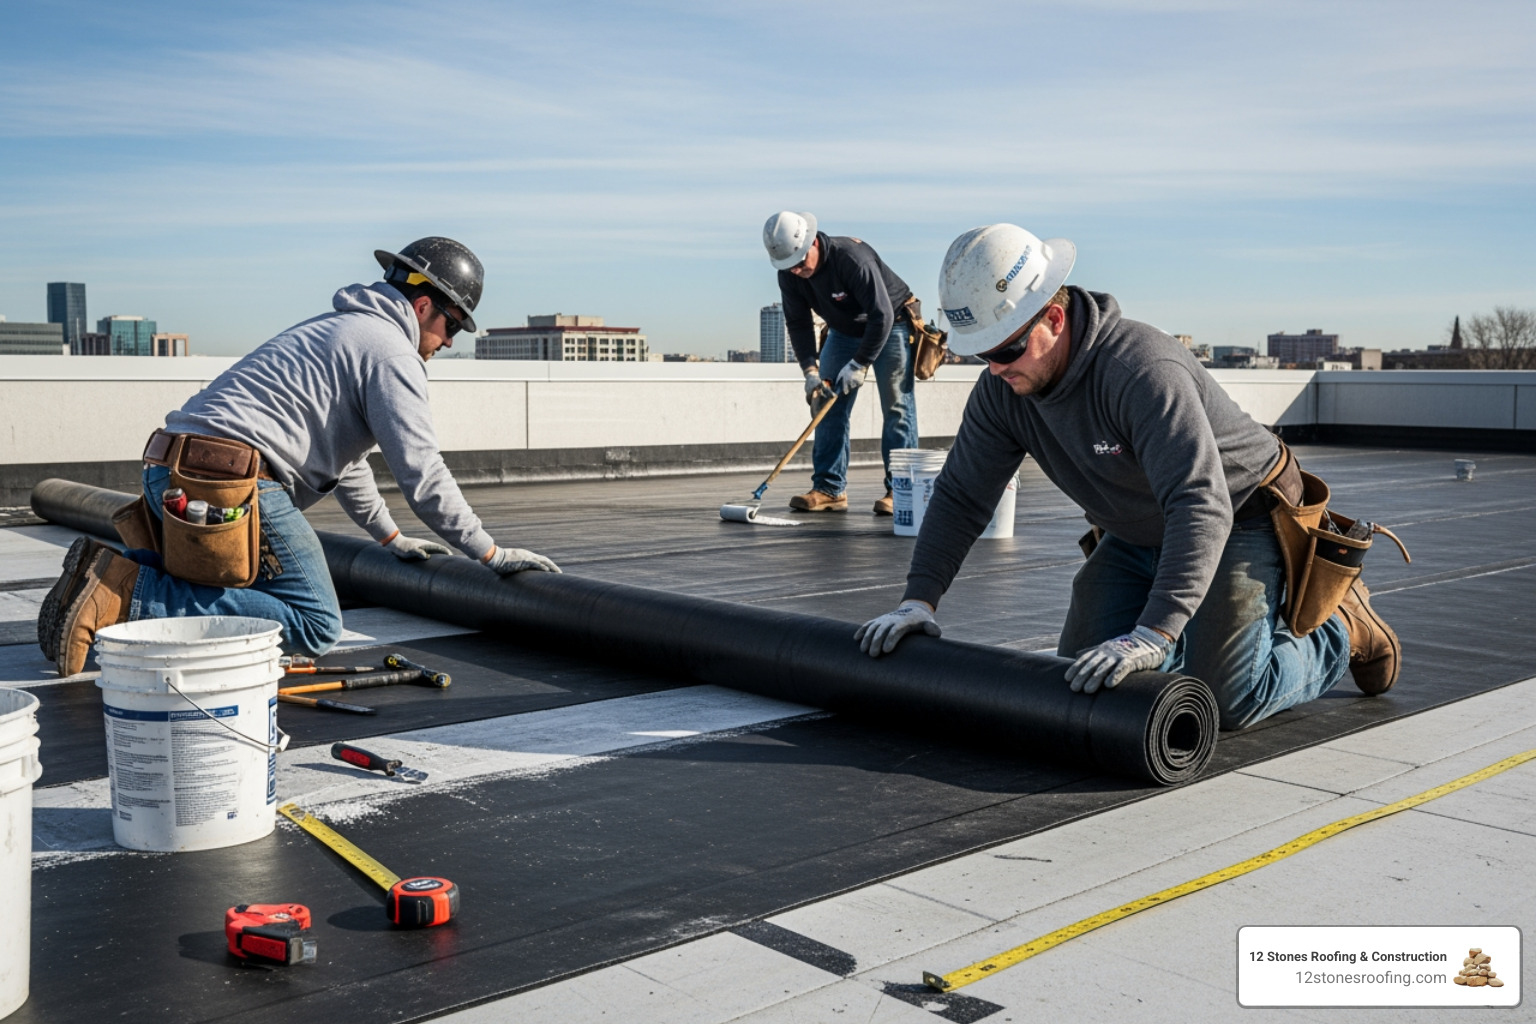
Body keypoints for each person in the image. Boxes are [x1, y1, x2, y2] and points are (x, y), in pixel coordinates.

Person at [853, 223, 1401, 730]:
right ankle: (1192, 626)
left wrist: (1155, 631)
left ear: (1054, 318)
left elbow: (1199, 502)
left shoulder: (1140, 371)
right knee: (1079, 678)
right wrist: (918, 601)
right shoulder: (1004, 389)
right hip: (1141, 529)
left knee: (1224, 699)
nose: (996, 369)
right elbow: (960, 494)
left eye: (1007, 349)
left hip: (1241, 514)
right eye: (982, 357)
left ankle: (1341, 630)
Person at [39, 237, 560, 678]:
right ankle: (126, 591)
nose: (448, 342)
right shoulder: (390, 352)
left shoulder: (341, 331)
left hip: (171, 465)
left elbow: (345, 460)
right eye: (452, 326)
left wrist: (390, 537)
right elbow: (422, 472)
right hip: (230, 478)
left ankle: (109, 574)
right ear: (424, 305)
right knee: (314, 623)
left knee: (236, 584)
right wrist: (490, 554)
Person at [763, 211, 920, 515]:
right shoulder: (790, 274)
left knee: (897, 407)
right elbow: (797, 323)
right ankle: (829, 489)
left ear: (812, 243)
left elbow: (881, 315)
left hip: (892, 324)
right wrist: (810, 370)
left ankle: (901, 490)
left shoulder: (851, 259)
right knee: (826, 404)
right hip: (844, 330)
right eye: (788, 266)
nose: (795, 270)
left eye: (798, 262)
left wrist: (859, 363)